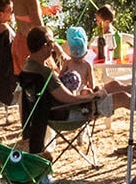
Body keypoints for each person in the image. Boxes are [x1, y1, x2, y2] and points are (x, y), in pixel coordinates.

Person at [18, 26, 100, 154]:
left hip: (40, 118)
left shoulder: (27, 66)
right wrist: (92, 97)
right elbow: (68, 98)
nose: (53, 47)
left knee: (116, 87)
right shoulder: (45, 73)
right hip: (63, 115)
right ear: (44, 46)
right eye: (51, 43)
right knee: (117, 95)